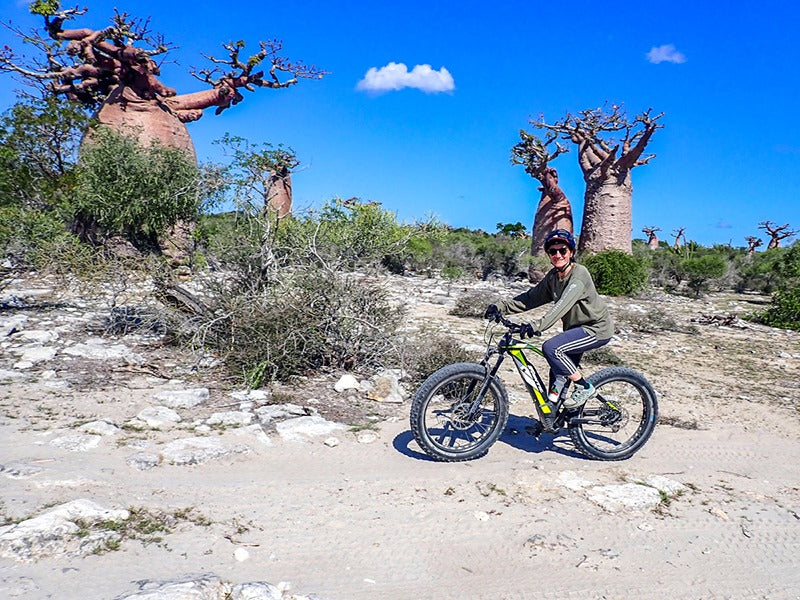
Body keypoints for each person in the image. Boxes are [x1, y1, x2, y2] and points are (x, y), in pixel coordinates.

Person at [484, 229, 614, 410]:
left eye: (563, 250)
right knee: (558, 371)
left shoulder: (579, 275)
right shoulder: (553, 277)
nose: (558, 255)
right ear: (548, 254)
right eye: (553, 251)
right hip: (574, 330)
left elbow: (561, 307)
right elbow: (530, 298)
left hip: (596, 329)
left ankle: (584, 387)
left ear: (571, 252)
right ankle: (552, 417)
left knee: (551, 348)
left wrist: (535, 326)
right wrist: (501, 307)